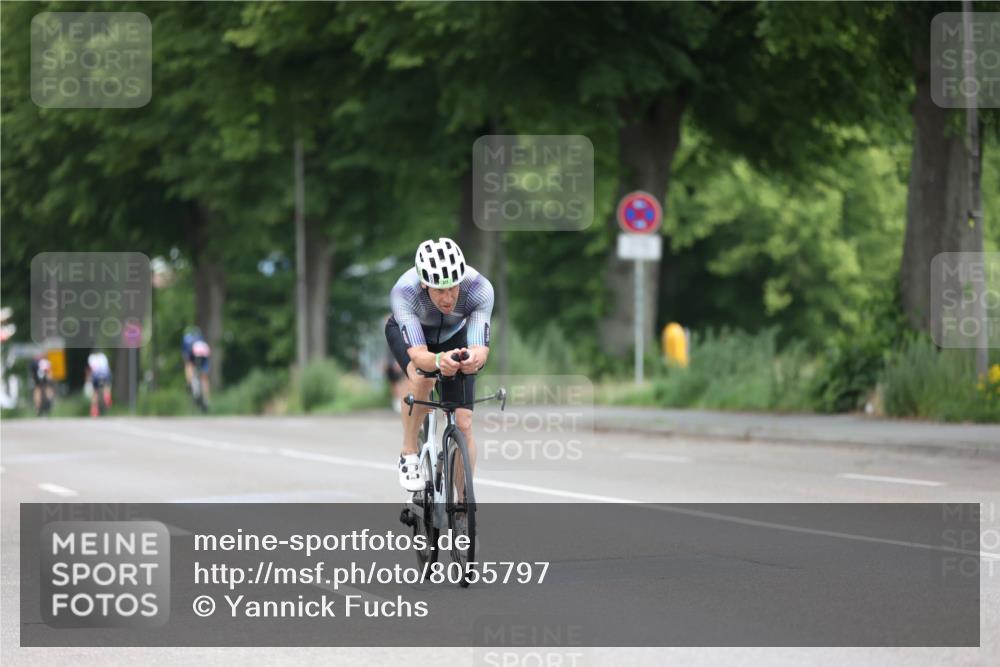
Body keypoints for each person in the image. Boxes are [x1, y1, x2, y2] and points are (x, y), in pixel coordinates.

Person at [384, 237, 494, 491]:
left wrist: (474, 359)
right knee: (423, 378)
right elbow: (419, 354)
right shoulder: (405, 291)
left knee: (464, 423)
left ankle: (463, 503)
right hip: (413, 336)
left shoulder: (479, 288)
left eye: (453, 288)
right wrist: (437, 361)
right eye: (439, 290)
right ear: (424, 284)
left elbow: (480, 347)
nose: (448, 298)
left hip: (454, 335)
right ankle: (408, 453)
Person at [85, 349, 112, 417]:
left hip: (95, 376)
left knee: (95, 393)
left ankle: (94, 411)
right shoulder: (103, 356)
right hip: (104, 374)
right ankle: (107, 396)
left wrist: (88, 380)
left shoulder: (91, 357)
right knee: (106, 387)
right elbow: (107, 367)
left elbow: (90, 369)